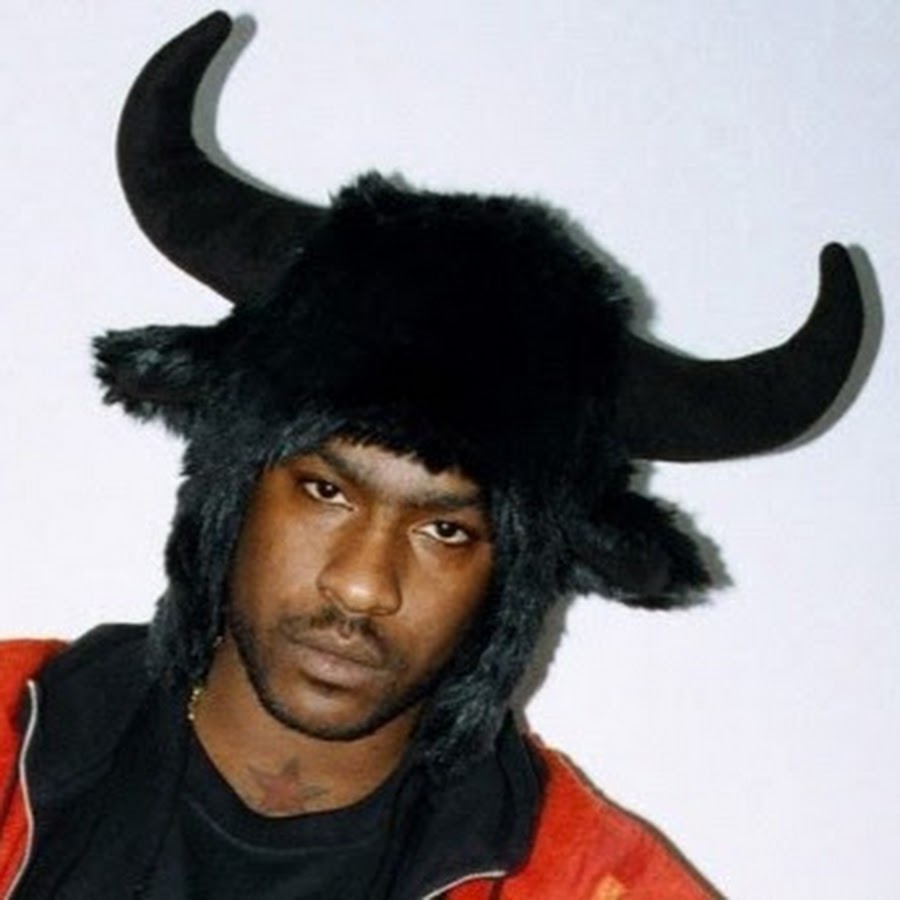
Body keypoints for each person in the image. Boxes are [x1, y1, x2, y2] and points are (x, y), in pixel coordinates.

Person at [0, 13, 864, 899]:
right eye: (325, 490)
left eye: (447, 531)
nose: (362, 585)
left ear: (517, 576)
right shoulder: (14, 737)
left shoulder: (586, 884)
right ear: (232, 485)